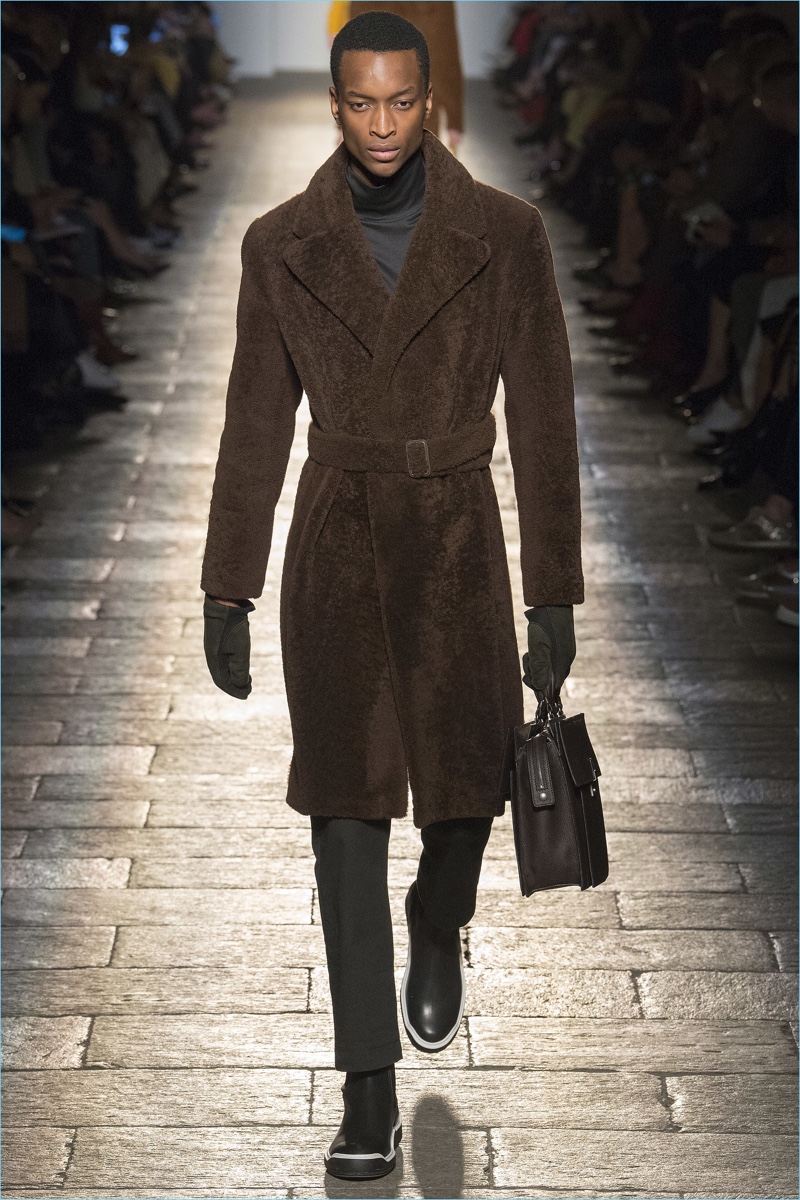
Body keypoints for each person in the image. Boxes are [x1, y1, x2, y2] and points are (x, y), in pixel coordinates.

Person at [201, 11, 582, 1181]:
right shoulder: (281, 244)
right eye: (360, 103)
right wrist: (228, 584)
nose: (380, 124)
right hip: (337, 541)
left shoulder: (502, 234)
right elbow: (255, 420)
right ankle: (364, 1089)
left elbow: (544, 417)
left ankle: (438, 911)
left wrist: (553, 593)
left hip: (458, 534)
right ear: (333, 103)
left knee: (466, 790)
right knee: (344, 810)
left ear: (427, 100)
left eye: (401, 102)